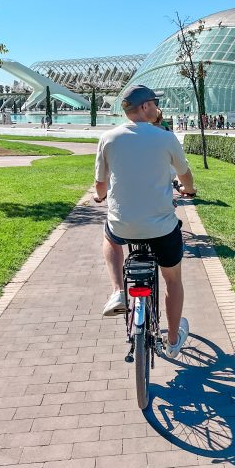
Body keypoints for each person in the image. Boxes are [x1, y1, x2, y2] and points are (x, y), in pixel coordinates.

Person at [94, 84, 197, 359]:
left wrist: (99, 196)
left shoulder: (109, 138)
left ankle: (117, 291)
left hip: (123, 225)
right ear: (144, 107)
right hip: (162, 228)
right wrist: (188, 190)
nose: (156, 107)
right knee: (172, 280)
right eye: (153, 103)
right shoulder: (165, 137)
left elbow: (101, 184)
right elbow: (185, 176)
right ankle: (173, 341)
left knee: (110, 238)